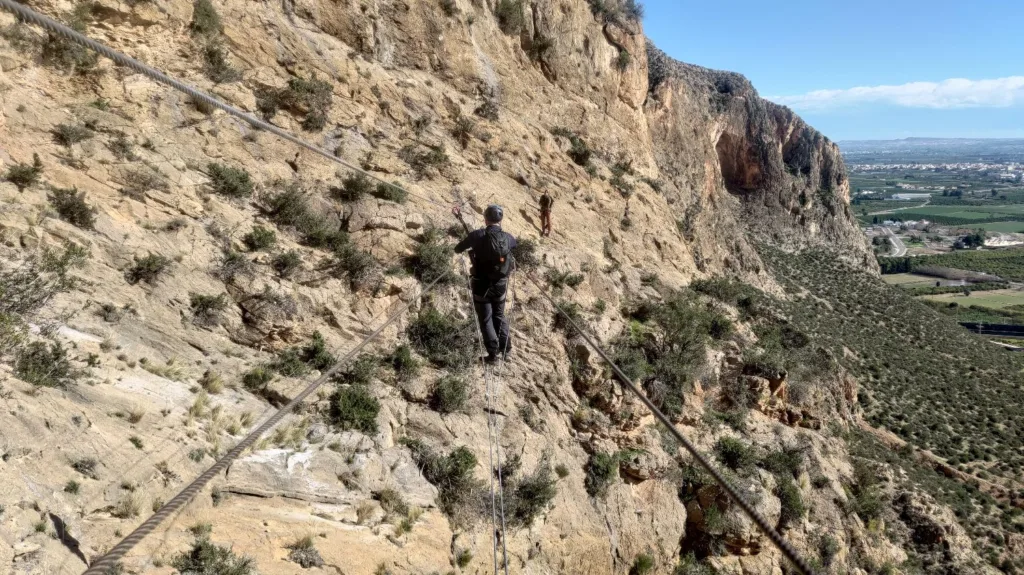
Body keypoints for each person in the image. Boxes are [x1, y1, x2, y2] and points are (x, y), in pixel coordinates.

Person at [453, 204, 517, 364]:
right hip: (500, 285)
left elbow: (458, 249)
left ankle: (493, 355)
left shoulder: (477, 235)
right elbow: (513, 246)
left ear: (485, 218)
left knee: (486, 319)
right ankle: (506, 351)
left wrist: (475, 245)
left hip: (481, 284)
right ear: (500, 219)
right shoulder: (508, 238)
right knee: (499, 316)